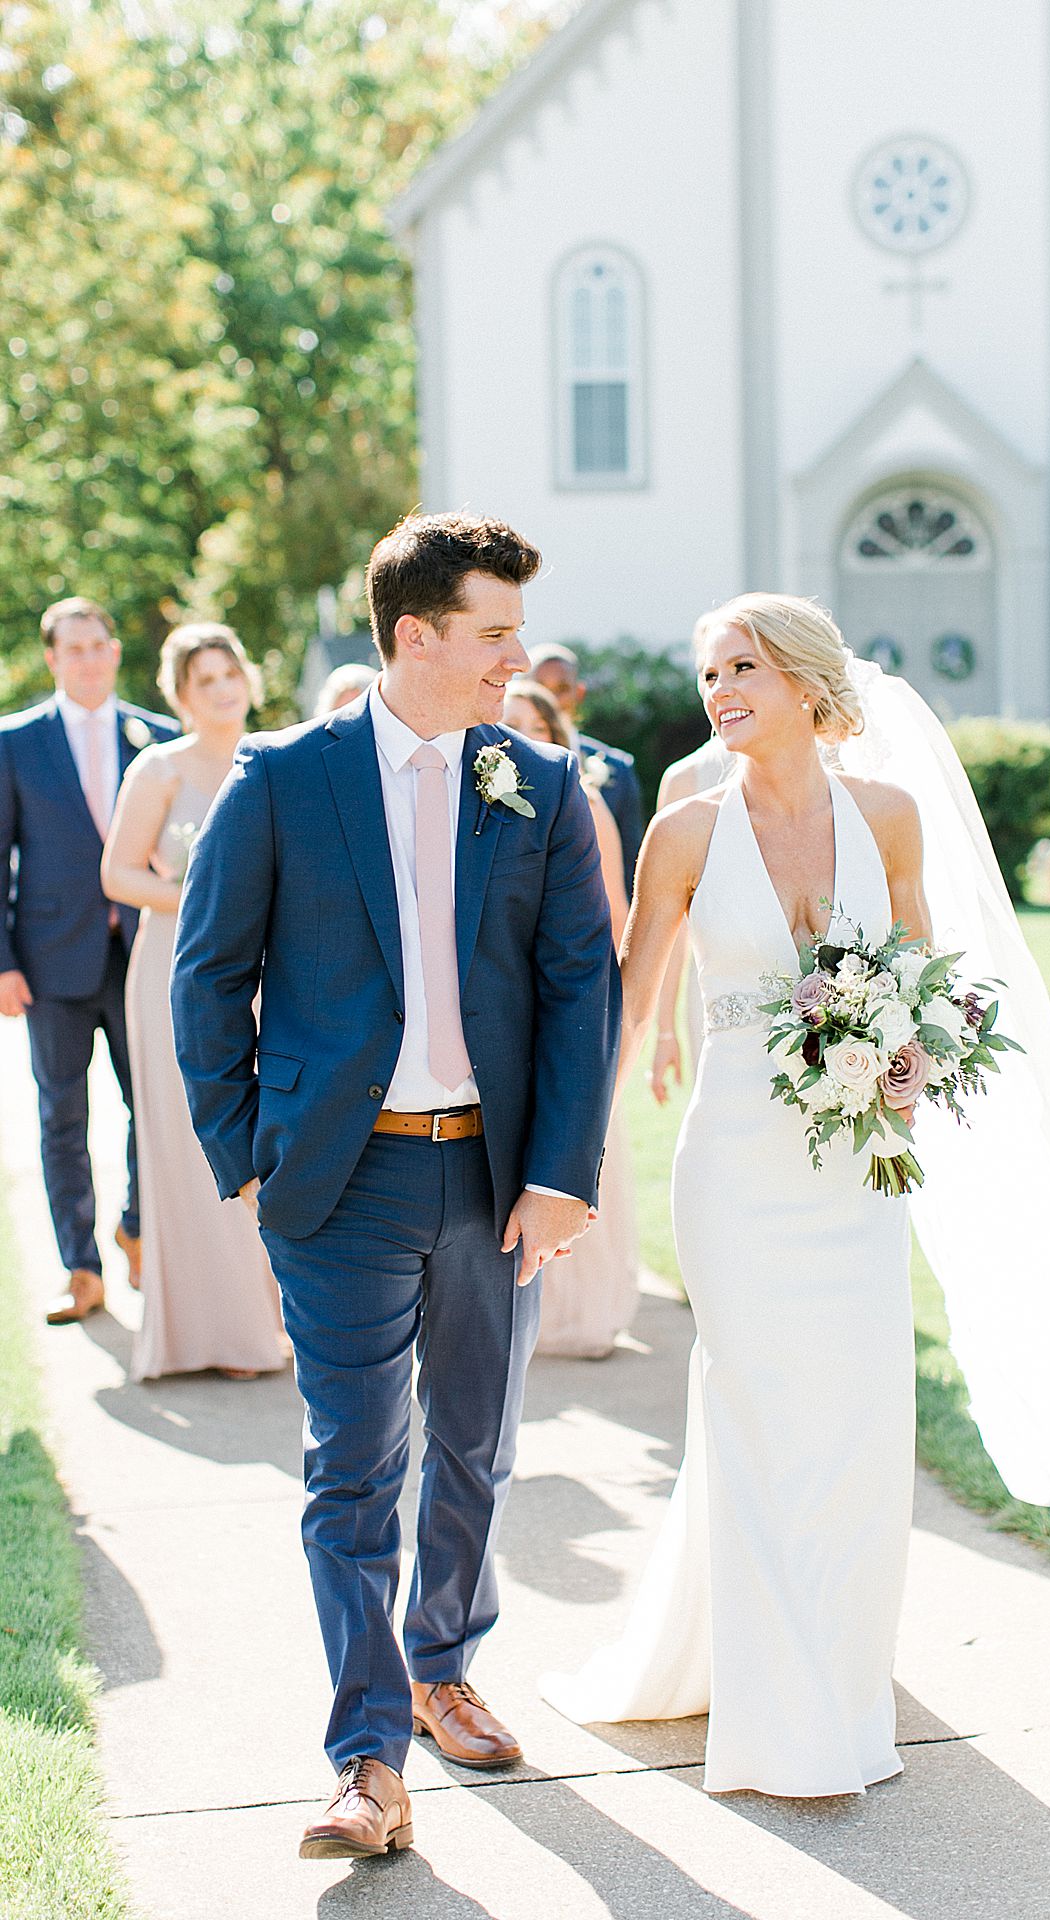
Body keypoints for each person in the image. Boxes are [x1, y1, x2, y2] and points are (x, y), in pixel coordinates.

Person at [542, 592, 1050, 1798]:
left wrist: (907, 1056)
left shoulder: (889, 816)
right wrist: (572, 1167)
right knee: (758, 1411)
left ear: (810, 685)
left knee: (859, 1426)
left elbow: (930, 979)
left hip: (853, 1173)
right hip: (734, 1169)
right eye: (708, 671)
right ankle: (782, 1721)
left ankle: (833, 1676)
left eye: (743, 666)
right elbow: (627, 1001)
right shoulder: (683, 831)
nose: (718, 689)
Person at [171, 513, 619, 1860]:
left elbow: (576, 987)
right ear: (414, 637)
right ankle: (365, 1756)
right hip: (341, 1186)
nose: (515, 658)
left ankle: (444, 1664)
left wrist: (559, 1173)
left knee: (474, 1446)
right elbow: (209, 977)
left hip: (494, 1180)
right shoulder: (283, 780)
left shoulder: (535, 782)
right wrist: (246, 1152)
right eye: (493, 634)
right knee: (354, 1467)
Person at [101, 624, 286, 1382]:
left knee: (264, 1138)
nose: (221, 689)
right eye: (203, 679)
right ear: (180, 694)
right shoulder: (160, 770)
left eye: (229, 672)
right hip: (173, 971)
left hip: (269, 977)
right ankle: (210, 1332)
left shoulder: (275, 759)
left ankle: (266, 1318)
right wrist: (198, 897)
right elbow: (118, 874)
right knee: (187, 1143)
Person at [0, 597, 179, 1324]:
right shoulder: (15, 742)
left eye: (97, 645)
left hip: (145, 955)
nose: (86, 659)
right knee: (61, 1115)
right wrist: (3, 959)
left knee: (154, 1105)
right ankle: (80, 1266)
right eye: (70, 649)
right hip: (50, 959)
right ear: (52, 659)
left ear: (113, 651)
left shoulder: (157, 736)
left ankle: (136, 1226)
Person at [504, 678, 639, 1358]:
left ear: (557, 735)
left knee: (575, 1137)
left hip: (567, 1000)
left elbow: (613, 915)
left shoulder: (582, 801)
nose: (521, 733)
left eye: (535, 724)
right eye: (509, 721)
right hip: (503, 1007)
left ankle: (580, 1311)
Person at [646, 734, 732, 1108]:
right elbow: (670, 924)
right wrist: (665, 1029)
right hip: (716, 1000)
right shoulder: (685, 780)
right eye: (708, 675)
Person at [528, 642, 644, 890]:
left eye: (561, 689)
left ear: (578, 693)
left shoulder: (618, 769)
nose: (551, 699)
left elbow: (632, 866)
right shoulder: (500, 763)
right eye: (540, 688)